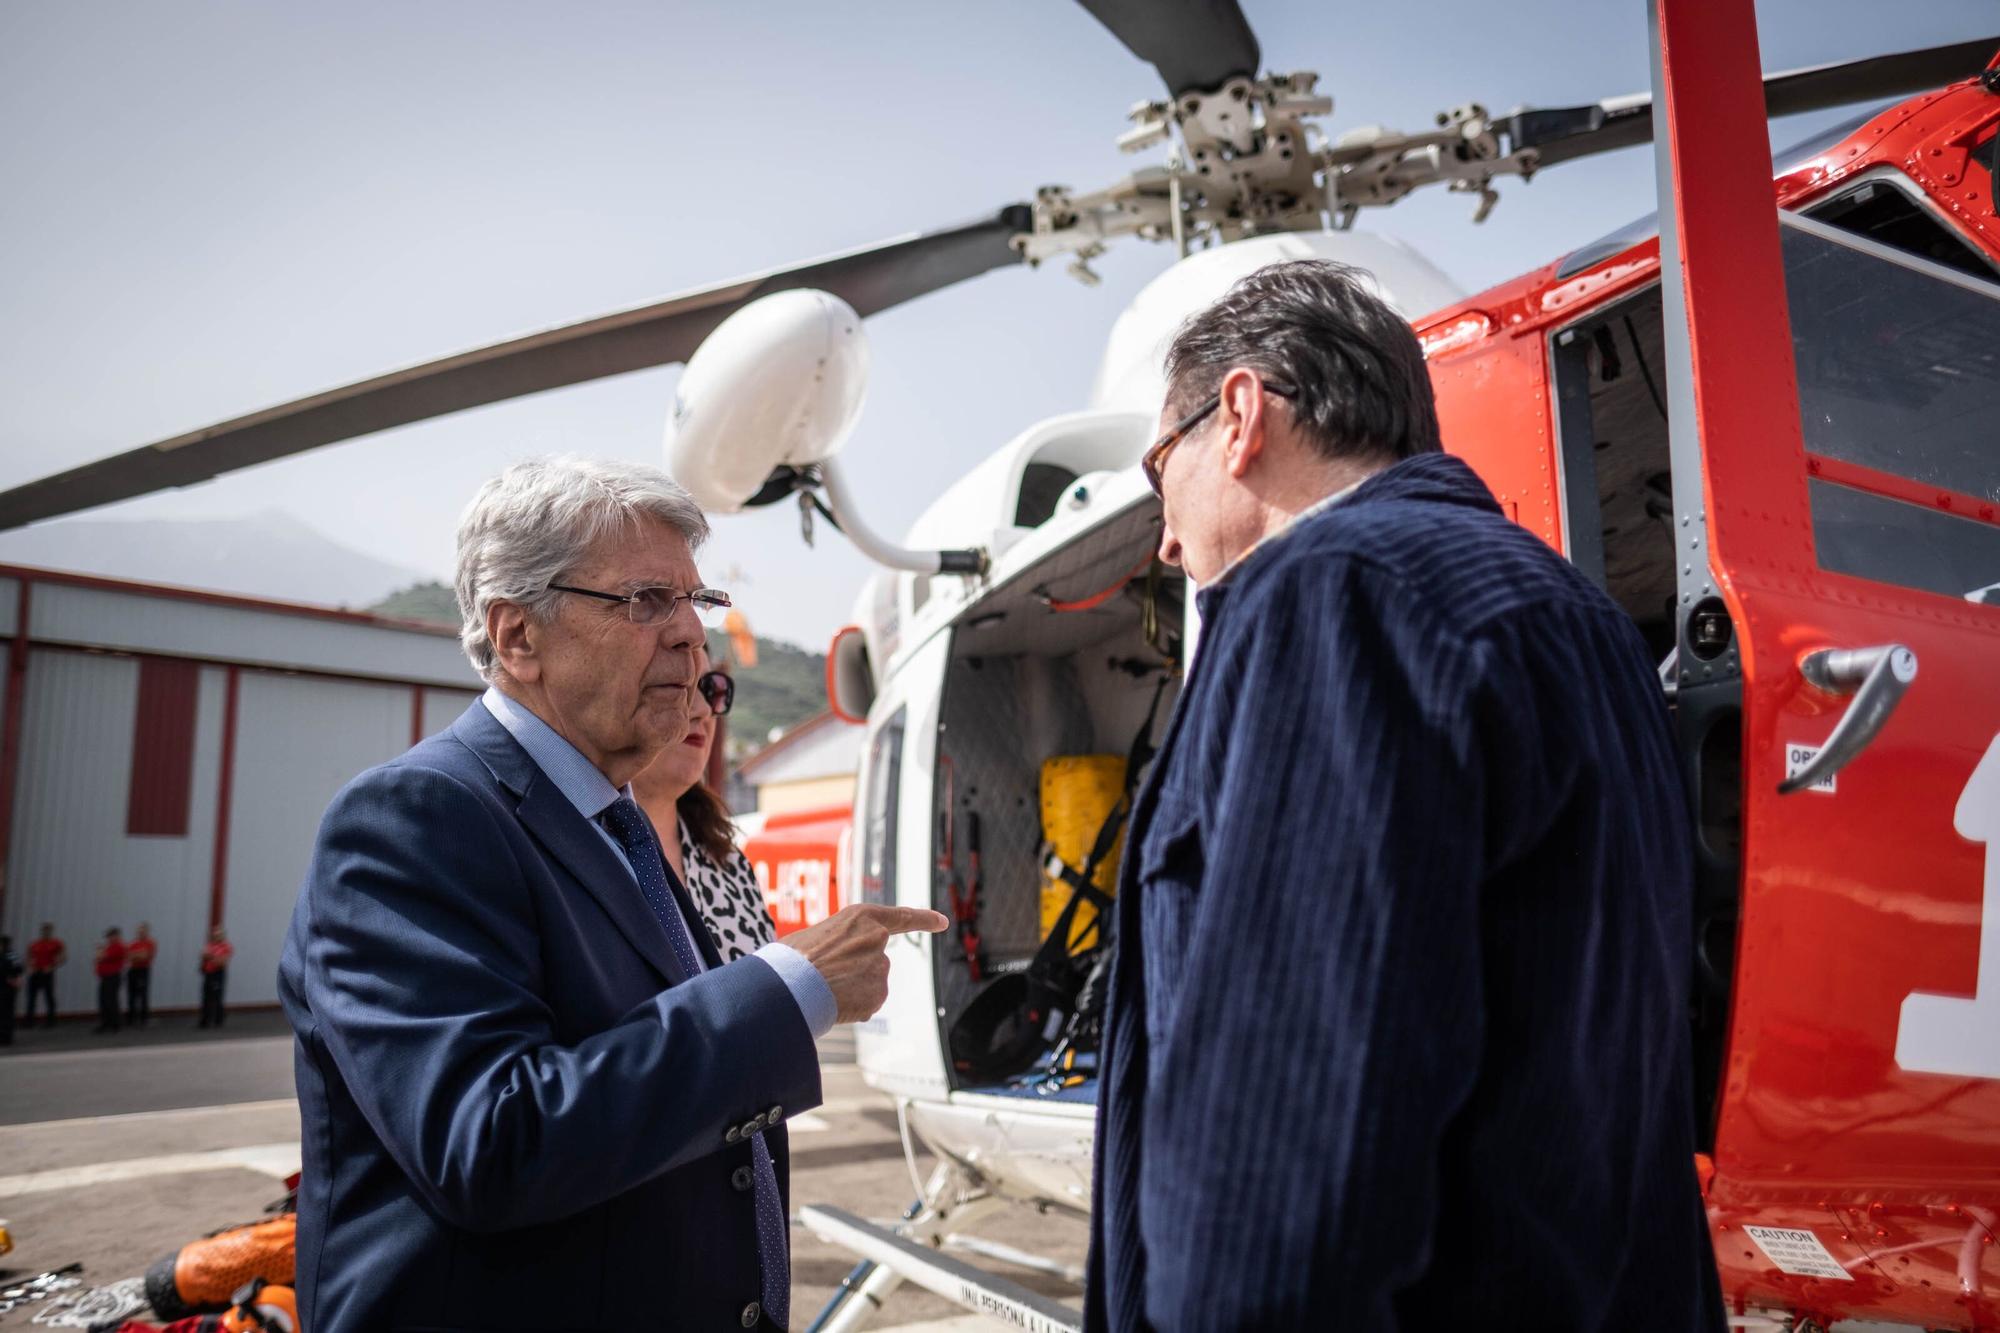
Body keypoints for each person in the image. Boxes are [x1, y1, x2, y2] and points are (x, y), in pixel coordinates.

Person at [1085, 261, 1723, 1329]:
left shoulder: (1330, 595)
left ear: (1238, 415)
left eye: (1159, 468)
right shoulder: (1582, 619)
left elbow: (1280, 1172)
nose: (1160, 534)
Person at [278, 456, 947, 1333]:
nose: (691, 638)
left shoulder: (616, 821)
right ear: (518, 638)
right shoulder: (416, 816)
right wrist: (787, 985)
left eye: (696, 604)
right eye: (644, 602)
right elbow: (494, 1142)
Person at [632, 658, 774, 962]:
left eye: (711, 689)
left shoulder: (729, 863)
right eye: (677, 686)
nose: (703, 709)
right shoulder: (583, 847)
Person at [25, 923, 63, 1028]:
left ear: (51, 931)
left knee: (49, 997)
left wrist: (52, 966)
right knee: (31, 997)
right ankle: (29, 1022)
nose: (46, 932)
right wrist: (30, 966)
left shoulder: (56, 943)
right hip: (36, 972)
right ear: (41, 931)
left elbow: (62, 957)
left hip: (47, 973)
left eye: (48, 930)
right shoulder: (35, 944)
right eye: (44, 930)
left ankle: (51, 1021)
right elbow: (29, 956)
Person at [197, 927, 232, 1028]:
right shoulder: (210, 945)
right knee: (206, 996)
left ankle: (218, 1019)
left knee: (217, 996)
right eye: (214, 935)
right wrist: (210, 957)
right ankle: (205, 1020)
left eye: (218, 935)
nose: (216, 937)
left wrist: (210, 956)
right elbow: (202, 955)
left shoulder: (226, 947)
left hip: (218, 973)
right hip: (208, 973)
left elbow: (221, 962)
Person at [93, 927, 126, 1034]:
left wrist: (99, 950)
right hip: (105, 977)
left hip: (112, 976)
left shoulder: (118, 946)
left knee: (111, 1001)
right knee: (103, 1000)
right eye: (108, 936)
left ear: (116, 936)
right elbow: (99, 958)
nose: (108, 938)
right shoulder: (109, 947)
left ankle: (114, 1024)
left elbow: (101, 957)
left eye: (111, 936)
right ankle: (106, 1023)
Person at [126, 922, 157, 1026]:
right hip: (132, 970)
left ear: (147, 931)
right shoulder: (133, 943)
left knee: (143, 995)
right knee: (131, 995)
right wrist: (138, 954)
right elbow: (128, 956)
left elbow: (145, 957)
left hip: (143, 971)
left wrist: (136, 955)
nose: (140, 932)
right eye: (138, 930)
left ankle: (144, 1019)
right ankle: (131, 1019)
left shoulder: (150, 943)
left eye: (142, 930)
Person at [0, 934, 20, 1045]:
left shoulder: (10, 955)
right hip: (4, 987)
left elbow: (18, 969)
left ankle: (6, 1038)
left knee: (6, 1013)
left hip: (7, 988)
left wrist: (13, 978)